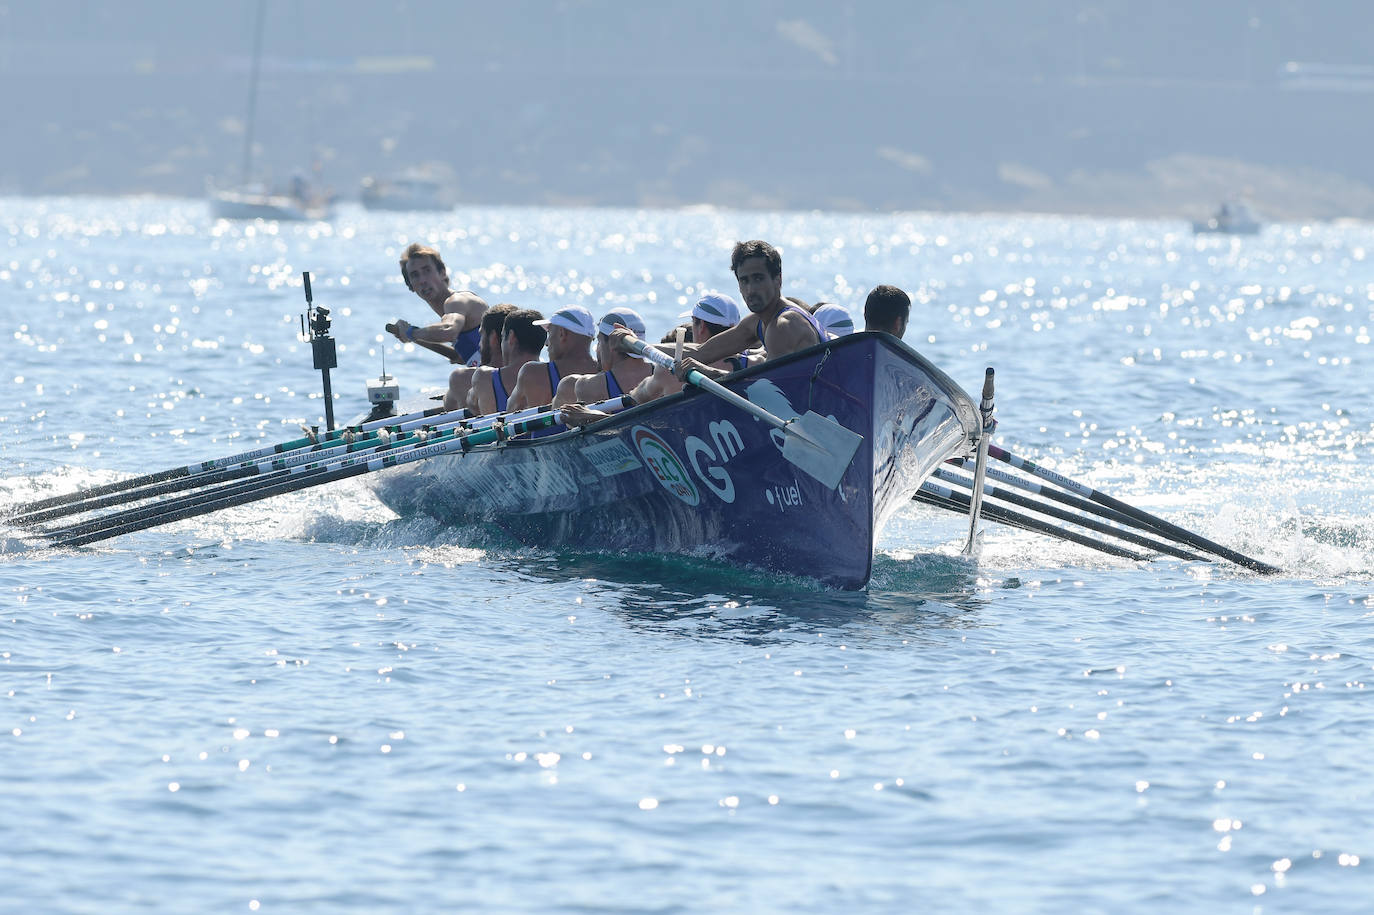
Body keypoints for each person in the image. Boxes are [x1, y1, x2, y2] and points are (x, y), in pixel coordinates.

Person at [672, 240, 822, 382]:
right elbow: (702, 353)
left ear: (778, 279)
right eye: (744, 281)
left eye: (758, 278)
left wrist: (708, 373)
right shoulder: (756, 321)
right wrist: (649, 350)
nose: (751, 290)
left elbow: (766, 389)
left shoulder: (784, 325)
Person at [388, 243, 489, 364]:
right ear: (410, 286)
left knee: (457, 378)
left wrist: (411, 333)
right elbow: (458, 357)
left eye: (427, 271)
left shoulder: (456, 301)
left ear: (442, 273)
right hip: (500, 375)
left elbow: (448, 331)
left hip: (512, 376)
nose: (423, 280)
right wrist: (411, 336)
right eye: (415, 275)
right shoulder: (450, 313)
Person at [551, 307, 654, 407]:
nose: (596, 349)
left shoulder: (588, 386)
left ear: (611, 344)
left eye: (599, 341)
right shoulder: (663, 376)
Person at [504, 305, 600, 412]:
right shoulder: (606, 373)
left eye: (549, 333)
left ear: (562, 334)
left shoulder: (532, 372)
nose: (546, 343)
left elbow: (510, 412)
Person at [466, 309, 547, 416]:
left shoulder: (484, 377)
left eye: (503, 336)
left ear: (511, 337)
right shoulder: (558, 373)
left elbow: (473, 406)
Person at [443, 303, 518, 410]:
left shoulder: (463, 379)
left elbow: (449, 407)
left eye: (481, 335)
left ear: (493, 338)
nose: (479, 344)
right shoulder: (538, 373)